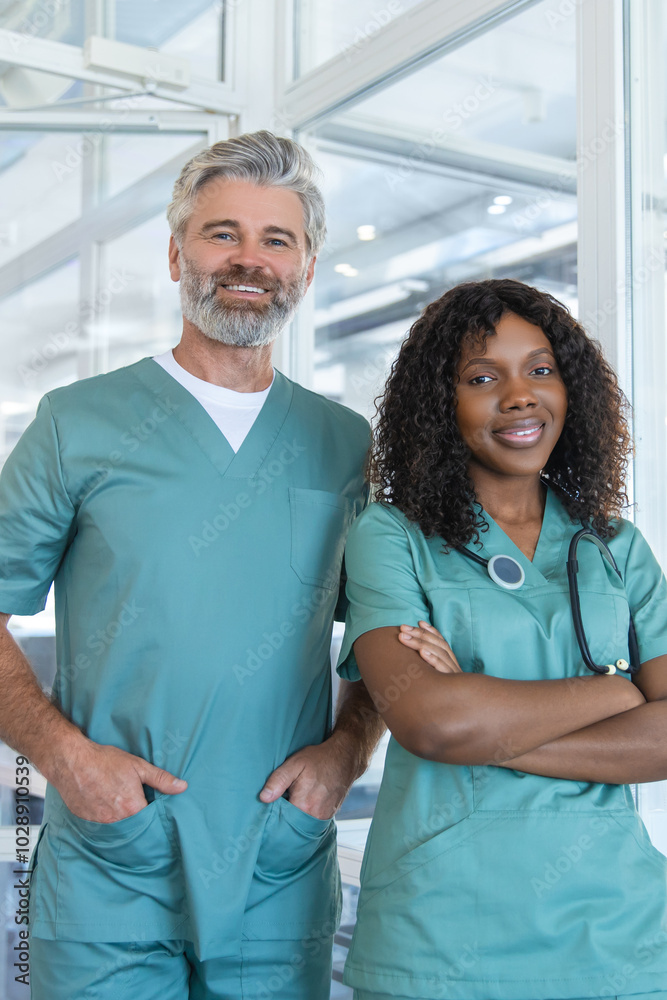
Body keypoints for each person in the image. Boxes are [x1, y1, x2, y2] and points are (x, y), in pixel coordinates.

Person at [0, 131, 385, 999]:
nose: (248, 260)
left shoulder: (341, 444)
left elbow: (385, 634)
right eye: (221, 234)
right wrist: (65, 757)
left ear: (308, 266)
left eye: (276, 240)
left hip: (276, 863)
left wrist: (346, 752)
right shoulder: (79, 423)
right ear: (176, 252)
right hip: (113, 862)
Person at [336, 278, 667, 1000]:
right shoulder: (390, 538)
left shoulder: (616, 547)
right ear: (438, 405)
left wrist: (486, 727)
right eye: (482, 378)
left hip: (617, 937)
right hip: (440, 936)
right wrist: (617, 691)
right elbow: (431, 720)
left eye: (540, 370)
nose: (520, 395)